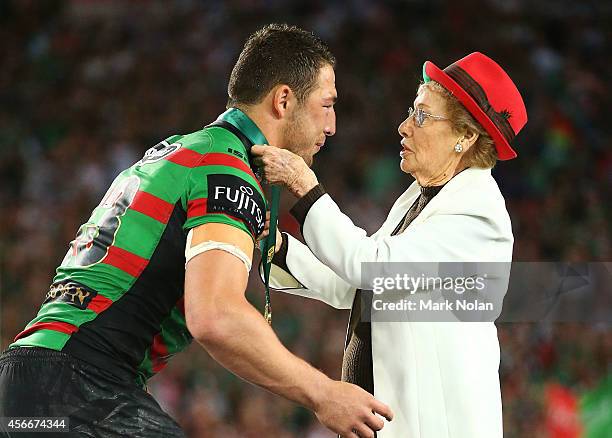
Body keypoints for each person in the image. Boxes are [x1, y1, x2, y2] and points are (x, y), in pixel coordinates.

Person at [0, 24, 392, 438]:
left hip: (34, 388)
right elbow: (216, 316)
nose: (331, 126)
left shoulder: (180, 151)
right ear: (283, 100)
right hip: (79, 391)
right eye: (326, 105)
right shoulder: (226, 170)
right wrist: (324, 393)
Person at [252, 52, 528, 437]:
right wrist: (277, 245)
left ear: (465, 137)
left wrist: (305, 186)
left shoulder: (478, 214)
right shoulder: (422, 195)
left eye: (421, 116)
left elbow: (371, 264)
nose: (403, 127)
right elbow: (352, 286)